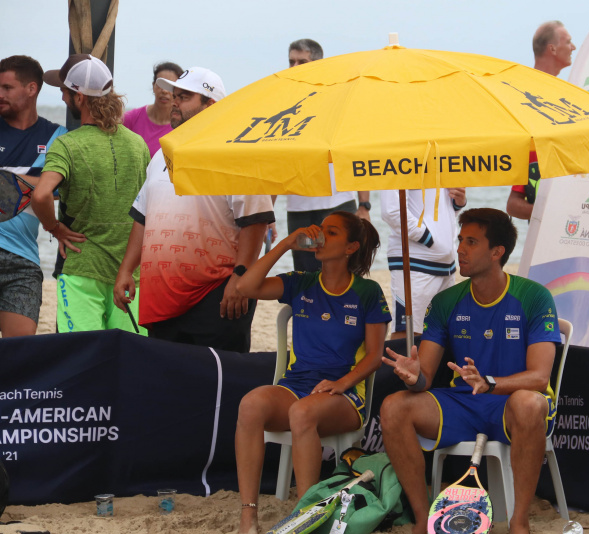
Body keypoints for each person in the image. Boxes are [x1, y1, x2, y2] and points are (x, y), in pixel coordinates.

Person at [380, 208, 561, 534]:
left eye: (472, 242)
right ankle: (422, 518)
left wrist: (491, 382)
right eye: (460, 240)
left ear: (497, 252)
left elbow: (539, 378)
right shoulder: (447, 301)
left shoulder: (534, 297)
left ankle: (519, 522)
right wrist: (414, 376)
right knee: (394, 407)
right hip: (463, 403)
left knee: (528, 402)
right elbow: (426, 378)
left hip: (510, 404)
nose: (460, 249)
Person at [233, 211, 390, 534]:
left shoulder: (368, 292)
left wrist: (342, 383)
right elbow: (245, 286)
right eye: (320, 231)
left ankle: (306, 514)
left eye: (330, 233)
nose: (319, 237)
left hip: (345, 396)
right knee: (250, 404)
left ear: (350, 248)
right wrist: (288, 242)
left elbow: (376, 355)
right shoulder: (301, 281)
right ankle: (248, 514)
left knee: (302, 412)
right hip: (297, 385)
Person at [113, 67, 274, 353]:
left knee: (216, 382)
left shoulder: (237, 154)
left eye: (184, 96)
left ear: (211, 105)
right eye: (175, 95)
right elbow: (142, 216)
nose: (174, 101)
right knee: (168, 381)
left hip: (217, 293)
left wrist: (239, 278)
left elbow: (255, 222)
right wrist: (126, 269)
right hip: (162, 296)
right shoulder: (164, 153)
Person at [31, 54, 149, 334]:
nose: (61, 98)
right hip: (132, 274)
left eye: (63, 91)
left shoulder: (67, 145)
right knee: (129, 359)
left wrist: (54, 228)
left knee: (82, 359)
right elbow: (147, 209)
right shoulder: (138, 144)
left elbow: (40, 195)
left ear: (79, 97)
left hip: (82, 266)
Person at [283, 38, 372, 272]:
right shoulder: (282, 105)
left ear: (318, 64)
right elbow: (275, 160)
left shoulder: (337, 100)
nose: (295, 67)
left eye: (302, 61)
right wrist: (267, 214)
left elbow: (356, 152)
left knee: (343, 271)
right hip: (299, 207)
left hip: (337, 203)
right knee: (306, 275)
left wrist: (364, 205)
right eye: (291, 61)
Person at [0, 55, 68, 338]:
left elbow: (61, 189)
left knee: (19, 356)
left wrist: (7, 178)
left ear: (32, 89)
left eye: (6, 88)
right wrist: (38, 183)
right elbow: (46, 189)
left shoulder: (57, 137)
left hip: (23, 260)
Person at [506, 21, 576, 222]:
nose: (573, 47)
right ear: (552, 48)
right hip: (544, 210)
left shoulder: (566, 94)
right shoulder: (526, 94)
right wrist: (555, 214)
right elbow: (513, 204)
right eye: (569, 42)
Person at [380, 187, 466, 339]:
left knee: (440, 333)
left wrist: (458, 203)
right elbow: (391, 211)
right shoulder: (400, 161)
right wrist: (427, 238)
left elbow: (440, 210)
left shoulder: (441, 163)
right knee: (408, 333)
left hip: (446, 264)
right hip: (414, 261)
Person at [122, 61, 182, 156]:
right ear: (153, 85)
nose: (164, 91)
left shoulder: (183, 126)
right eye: (160, 84)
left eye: (170, 86)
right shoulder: (130, 119)